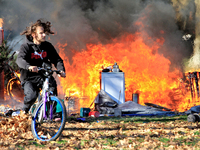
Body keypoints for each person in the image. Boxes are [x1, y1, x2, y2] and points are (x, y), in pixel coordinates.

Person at [16, 19, 66, 114]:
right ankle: (24, 112)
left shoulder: (47, 46)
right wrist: (29, 66)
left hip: (43, 75)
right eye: (41, 33)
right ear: (34, 35)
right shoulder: (26, 46)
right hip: (29, 78)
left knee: (52, 89)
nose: (44, 35)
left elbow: (57, 59)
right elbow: (19, 60)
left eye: (44, 33)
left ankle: (51, 114)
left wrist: (61, 70)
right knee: (32, 96)